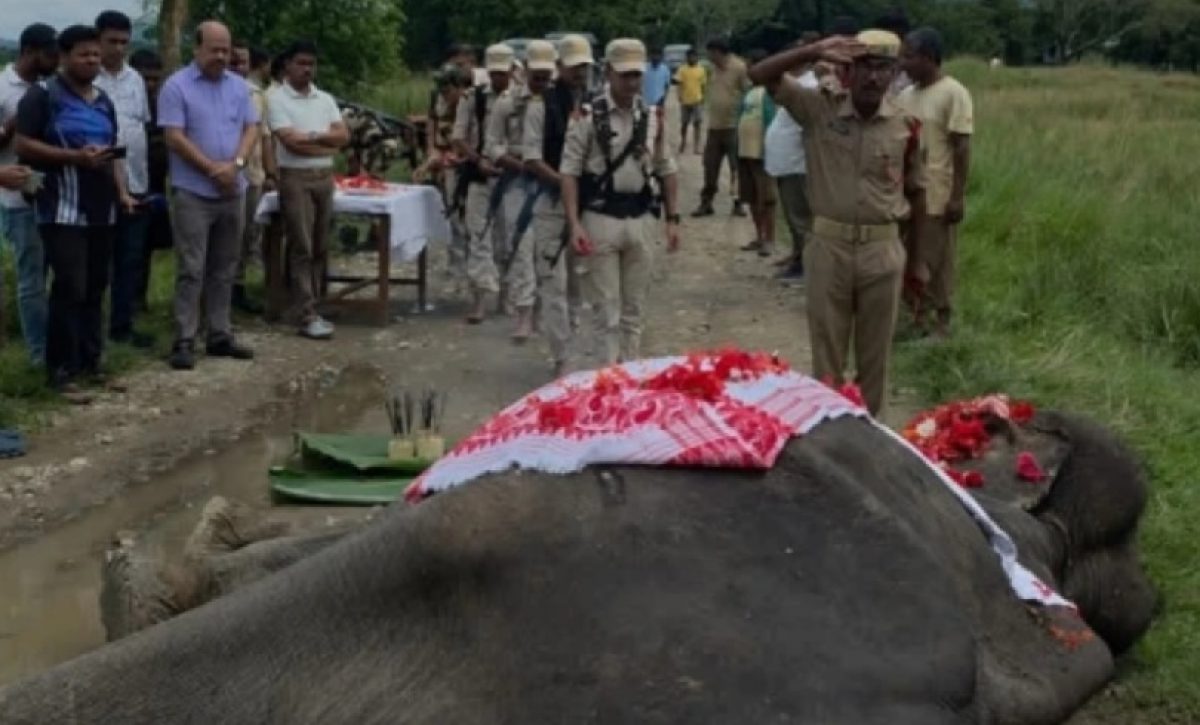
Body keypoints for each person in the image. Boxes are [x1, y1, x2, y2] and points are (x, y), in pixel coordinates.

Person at [749, 30, 927, 416]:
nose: (873, 78)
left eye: (883, 68)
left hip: (883, 250)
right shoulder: (819, 109)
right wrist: (812, 49)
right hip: (829, 247)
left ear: (895, 72)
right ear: (847, 71)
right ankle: (830, 435)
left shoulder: (906, 125)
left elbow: (916, 193)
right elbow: (759, 75)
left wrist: (917, 262)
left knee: (874, 360)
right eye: (863, 67)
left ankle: (870, 439)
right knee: (827, 359)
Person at [15, 25, 133, 401]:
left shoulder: (102, 101)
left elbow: (113, 151)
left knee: (97, 287)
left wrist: (123, 193)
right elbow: (23, 143)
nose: (93, 61)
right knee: (69, 287)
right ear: (64, 57)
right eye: (84, 54)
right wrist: (73, 158)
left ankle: (91, 362)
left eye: (96, 55)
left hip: (102, 208)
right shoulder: (43, 96)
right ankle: (60, 372)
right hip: (60, 208)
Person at [562, 38, 680, 366]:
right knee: (605, 311)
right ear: (609, 73)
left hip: (641, 217)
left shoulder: (651, 116)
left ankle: (631, 375)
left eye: (636, 75)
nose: (631, 82)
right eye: (625, 75)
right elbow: (569, 173)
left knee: (634, 310)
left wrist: (673, 218)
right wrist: (574, 224)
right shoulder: (587, 117)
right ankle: (608, 379)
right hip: (600, 218)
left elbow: (666, 167)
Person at [158, 20, 259, 370]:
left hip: (233, 188)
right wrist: (212, 169)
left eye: (225, 50)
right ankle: (184, 337)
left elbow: (251, 127)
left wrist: (237, 164)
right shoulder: (176, 86)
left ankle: (219, 333)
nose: (221, 56)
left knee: (226, 264)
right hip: (194, 191)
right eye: (214, 49)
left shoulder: (239, 87)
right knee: (191, 266)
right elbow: (174, 136)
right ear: (196, 48)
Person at [521, 34, 594, 376]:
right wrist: (567, 185)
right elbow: (533, 159)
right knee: (553, 282)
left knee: (581, 280)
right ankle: (563, 356)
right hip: (551, 203)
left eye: (585, 67)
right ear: (560, 66)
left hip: (586, 207)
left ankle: (576, 343)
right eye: (574, 66)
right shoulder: (541, 105)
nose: (580, 72)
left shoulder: (596, 105)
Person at [267, 39, 349, 340]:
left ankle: (312, 300)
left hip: (324, 176)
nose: (307, 70)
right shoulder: (277, 99)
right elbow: (290, 141)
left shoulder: (324, 99)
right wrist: (323, 142)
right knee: (300, 244)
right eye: (301, 63)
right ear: (288, 65)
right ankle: (305, 311)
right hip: (295, 177)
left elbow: (343, 136)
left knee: (320, 243)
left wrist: (312, 139)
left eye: (311, 64)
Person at [898, 27, 973, 338]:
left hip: (936, 194)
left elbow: (962, 147)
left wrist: (957, 196)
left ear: (929, 58)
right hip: (906, 193)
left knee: (936, 260)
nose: (903, 64)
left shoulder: (954, 93)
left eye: (909, 57)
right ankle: (916, 318)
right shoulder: (905, 96)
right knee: (907, 254)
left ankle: (941, 323)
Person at [486, 39, 556, 343]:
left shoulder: (558, 102)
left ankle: (547, 311)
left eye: (546, 76)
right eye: (536, 75)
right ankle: (524, 313)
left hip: (551, 181)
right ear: (525, 70)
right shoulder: (507, 102)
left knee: (549, 250)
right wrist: (516, 163)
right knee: (522, 248)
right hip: (517, 180)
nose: (541, 82)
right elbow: (492, 145)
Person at [94, 10, 154, 349]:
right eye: (111, 42)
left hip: (136, 180)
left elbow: (140, 125)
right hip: (99, 185)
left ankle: (122, 326)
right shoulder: (88, 79)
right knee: (97, 262)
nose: (117, 49)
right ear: (97, 40)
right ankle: (94, 330)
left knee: (129, 259)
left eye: (123, 42)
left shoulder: (134, 79)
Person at [0, 23, 57, 367]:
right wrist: (16, 123)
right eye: (50, 55)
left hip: (54, 197)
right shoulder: (3, 87)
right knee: (32, 281)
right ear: (29, 52)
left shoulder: (53, 87)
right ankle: (40, 356)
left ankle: (59, 348)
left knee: (59, 277)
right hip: (18, 200)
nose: (56, 61)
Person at [452, 43, 514, 324]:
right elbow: (458, 137)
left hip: (511, 178)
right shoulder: (471, 99)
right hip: (478, 176)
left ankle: (507, 296)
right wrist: (477, 159)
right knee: (477, 237)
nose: (500, 77)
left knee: (509, 239)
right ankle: (479, 299)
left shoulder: (522, 101)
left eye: (505, 72)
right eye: (496, 72)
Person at [764, 35, 819, 282]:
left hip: (797, 163)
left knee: (801, 219)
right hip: (786, 163)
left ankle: (806, 267)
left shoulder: (808, 86)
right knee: (793, 216)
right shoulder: (797, 84)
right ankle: (798, 256)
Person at [417, 64, 473, 294]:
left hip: (465, 162)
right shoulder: (437, 98)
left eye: (448, 89)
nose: (444, 94)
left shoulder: (470, 102)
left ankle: (474, 269)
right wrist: (431, 153)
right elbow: (432, 126)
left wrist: (455, 157)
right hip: (443, 160)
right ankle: (456, 267)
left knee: (469, 218)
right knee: (452, 216)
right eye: (441, 89)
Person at [231, 44, 277, 314]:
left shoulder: (258, 95)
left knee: (250, 234)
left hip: (254, 173)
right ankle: (226, 291)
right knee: (231, 236)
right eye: (233, 62)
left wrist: (271, 173)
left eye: (242, 62)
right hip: (228, 173)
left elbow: (266, 136)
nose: (238, 67)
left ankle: (239, 289)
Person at [128, 48, 170, 313]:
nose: (151, 85)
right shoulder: (125, 102)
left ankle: (139, 299)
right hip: (126, 182)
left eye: (156, 79)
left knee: (147, 246)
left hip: (154, 184)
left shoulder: (161, 105)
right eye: (146, 79)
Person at [693, 38, 749, 218]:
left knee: (736, 168)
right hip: (714, 127)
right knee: (710, 165)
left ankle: (738, 203)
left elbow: (747, 92)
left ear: (719, 52)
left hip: (733, 127)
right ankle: (706, 202)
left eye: (711, 52)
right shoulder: (711, 69)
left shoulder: (739, 67)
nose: (709, 56)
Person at [734, 49, 777, 258]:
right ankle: (759, 236)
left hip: (762, 154)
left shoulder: (771, 92)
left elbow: (772, 121)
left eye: (751, 66)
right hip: (745, 152)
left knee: (767, 199)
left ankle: (770, 239)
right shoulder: (748, 91)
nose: (748, 70)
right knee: (750, 197)